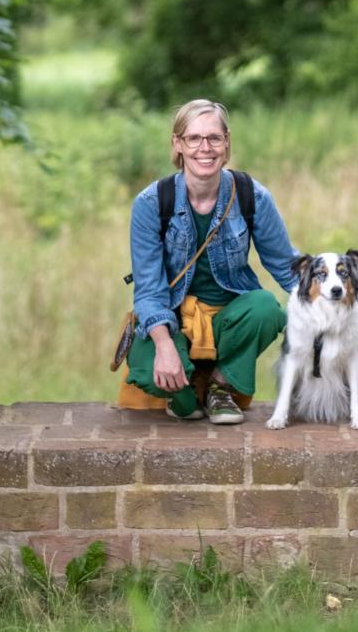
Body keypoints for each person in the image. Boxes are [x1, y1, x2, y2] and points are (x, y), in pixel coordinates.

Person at [125, 98, 298, 424]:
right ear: (178, 144)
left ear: (226, 142)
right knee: (150, 372)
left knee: (266, 308)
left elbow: (288, 266)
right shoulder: (151, 203)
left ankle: (221, 385)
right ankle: (185, 392)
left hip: (230, 322)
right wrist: (163, 345)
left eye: (214, 138)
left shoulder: (252, 196)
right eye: (194, 138)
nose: (205, 148)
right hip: (174, 320)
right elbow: (148, 290)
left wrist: (341, 313)